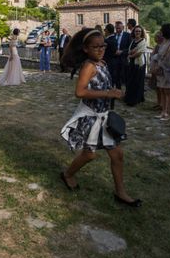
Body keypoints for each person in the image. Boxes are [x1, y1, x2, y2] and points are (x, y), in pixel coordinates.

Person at [59, 28, 141, 207]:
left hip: (103, 117)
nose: (100, 49)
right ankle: (67, 174)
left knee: (117, 155)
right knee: (89, 155)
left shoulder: (101, 63)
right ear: (86, 49)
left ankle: (121, 192)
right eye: (95, 47)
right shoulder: (89, 67)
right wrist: (108, 93)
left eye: (102, 46)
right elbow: (79, 92)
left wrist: (112, 93)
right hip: (91, 118)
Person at [154, 24, 170, 120]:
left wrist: (160, 64)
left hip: (167, 69)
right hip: (161, 69)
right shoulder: (165, 41)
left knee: (168, 91)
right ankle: (163, 112)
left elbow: (169, 55)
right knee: (162, 90)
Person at [124, 25, 148, 106]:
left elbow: (139, 52)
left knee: (137, 81)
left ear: (141, 33)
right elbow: (130, 50)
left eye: (139, 31)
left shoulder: (143, 41)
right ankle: (130, 98)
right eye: (136, 31)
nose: (137, 32)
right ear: (134, 32)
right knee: (131, 81)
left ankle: (136, 99)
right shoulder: (133, 40)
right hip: (132, 63)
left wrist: (130, 55)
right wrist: (132, 52)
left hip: (139, 64)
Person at [110, 21, 131, 88]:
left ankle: (127, 93)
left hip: (124, 59)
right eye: (116, 28)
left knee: (125, 77)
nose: (118, 30)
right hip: (115, 59)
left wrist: (122, 51)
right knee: (116, 77)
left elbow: (130, 48)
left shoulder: (127, 35)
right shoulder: (113, 35)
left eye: (119, 28)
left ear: (123, 27)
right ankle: (117, 91)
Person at [149, 31, 164, 110]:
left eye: (158, 37)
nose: (156, 38)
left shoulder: (163, 46)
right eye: (156, 37)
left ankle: (162, 104)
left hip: (159, 68)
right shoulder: (157, 46)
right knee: (157, 87)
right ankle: (159, 103)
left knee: (161, 87)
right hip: (155, 68)